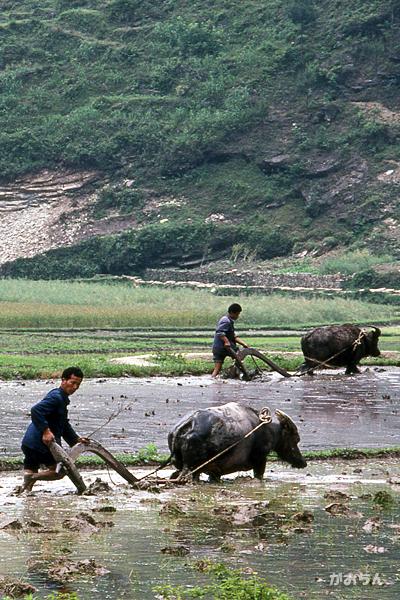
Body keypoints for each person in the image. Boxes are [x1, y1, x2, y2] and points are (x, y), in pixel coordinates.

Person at [20, 366, 89, 492]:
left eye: (78, 384)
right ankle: (31, 478)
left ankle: (24, 495)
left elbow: (63, 424)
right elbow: (36, 410)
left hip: (28, 442)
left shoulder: (58, 396)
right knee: (60, 471)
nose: (75, 387)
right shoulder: (56, 398)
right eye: (72, 383)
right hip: (41, 444)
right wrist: (46, 431)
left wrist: (75, 439)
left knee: (30, 474)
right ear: (63, 380)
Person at [211, 303, 249, 377]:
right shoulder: (226, 321)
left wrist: (244, 344)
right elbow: (220, 332)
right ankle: (242, 375)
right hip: (223, 348)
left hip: (218, 348)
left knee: (217, 368)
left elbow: (233, 336)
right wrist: (227, 342)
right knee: (239, 358)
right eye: (237, 314)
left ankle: (213, 379)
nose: (238, 316)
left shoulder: (227, 320)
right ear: (232, 313)